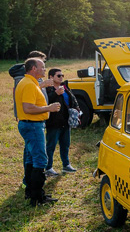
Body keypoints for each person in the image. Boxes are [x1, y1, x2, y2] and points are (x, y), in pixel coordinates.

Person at [14, 57, 61, 207]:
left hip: (29, 125)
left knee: (30, 159)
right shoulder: (28, 84)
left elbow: (31, 94)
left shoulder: (29, 82)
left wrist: (42, 85)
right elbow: (28, 108)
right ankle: (37, 197)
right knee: (40, 160)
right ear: (33, 69)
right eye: (42, 66)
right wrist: (49, 108)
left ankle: (30, 191)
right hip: (33, 126)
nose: (45, 69)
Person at [45, 68, 79, 176]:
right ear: (51, 77)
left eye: (62, 75)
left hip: (65, 122)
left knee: (65, 145)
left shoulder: (64, 87)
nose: (61, 77)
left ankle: (66, 165)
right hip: (53, 123)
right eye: (58, 76)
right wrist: (55, 93)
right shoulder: (46, 89)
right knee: (51, 146)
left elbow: (72, 99)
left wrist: (76, 109)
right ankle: (48, 168)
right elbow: (45, 102)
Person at [9, 50, 52, 116]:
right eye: (40, 61)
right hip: (29, 119)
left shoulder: (37, 76)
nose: (43, 63)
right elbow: (23, 96)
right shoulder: (21, 78)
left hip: (39, 115)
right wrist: (42, 85)